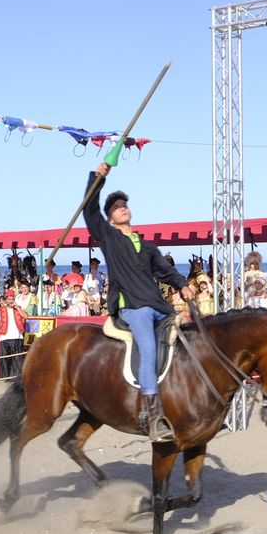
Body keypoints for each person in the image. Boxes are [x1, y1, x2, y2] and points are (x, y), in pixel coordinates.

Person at [84, 161, 194, 442]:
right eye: (117, 207)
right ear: (110, 219)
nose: (122, 207)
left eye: (124, 204)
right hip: (134, 307)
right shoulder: (108, 238)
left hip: (160, 307)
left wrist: (183, 285)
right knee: (146, 346)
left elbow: (167, 272)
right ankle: (153, 415)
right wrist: (98, 178)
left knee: (191, 342)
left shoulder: (147, 247)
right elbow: (90, 209)